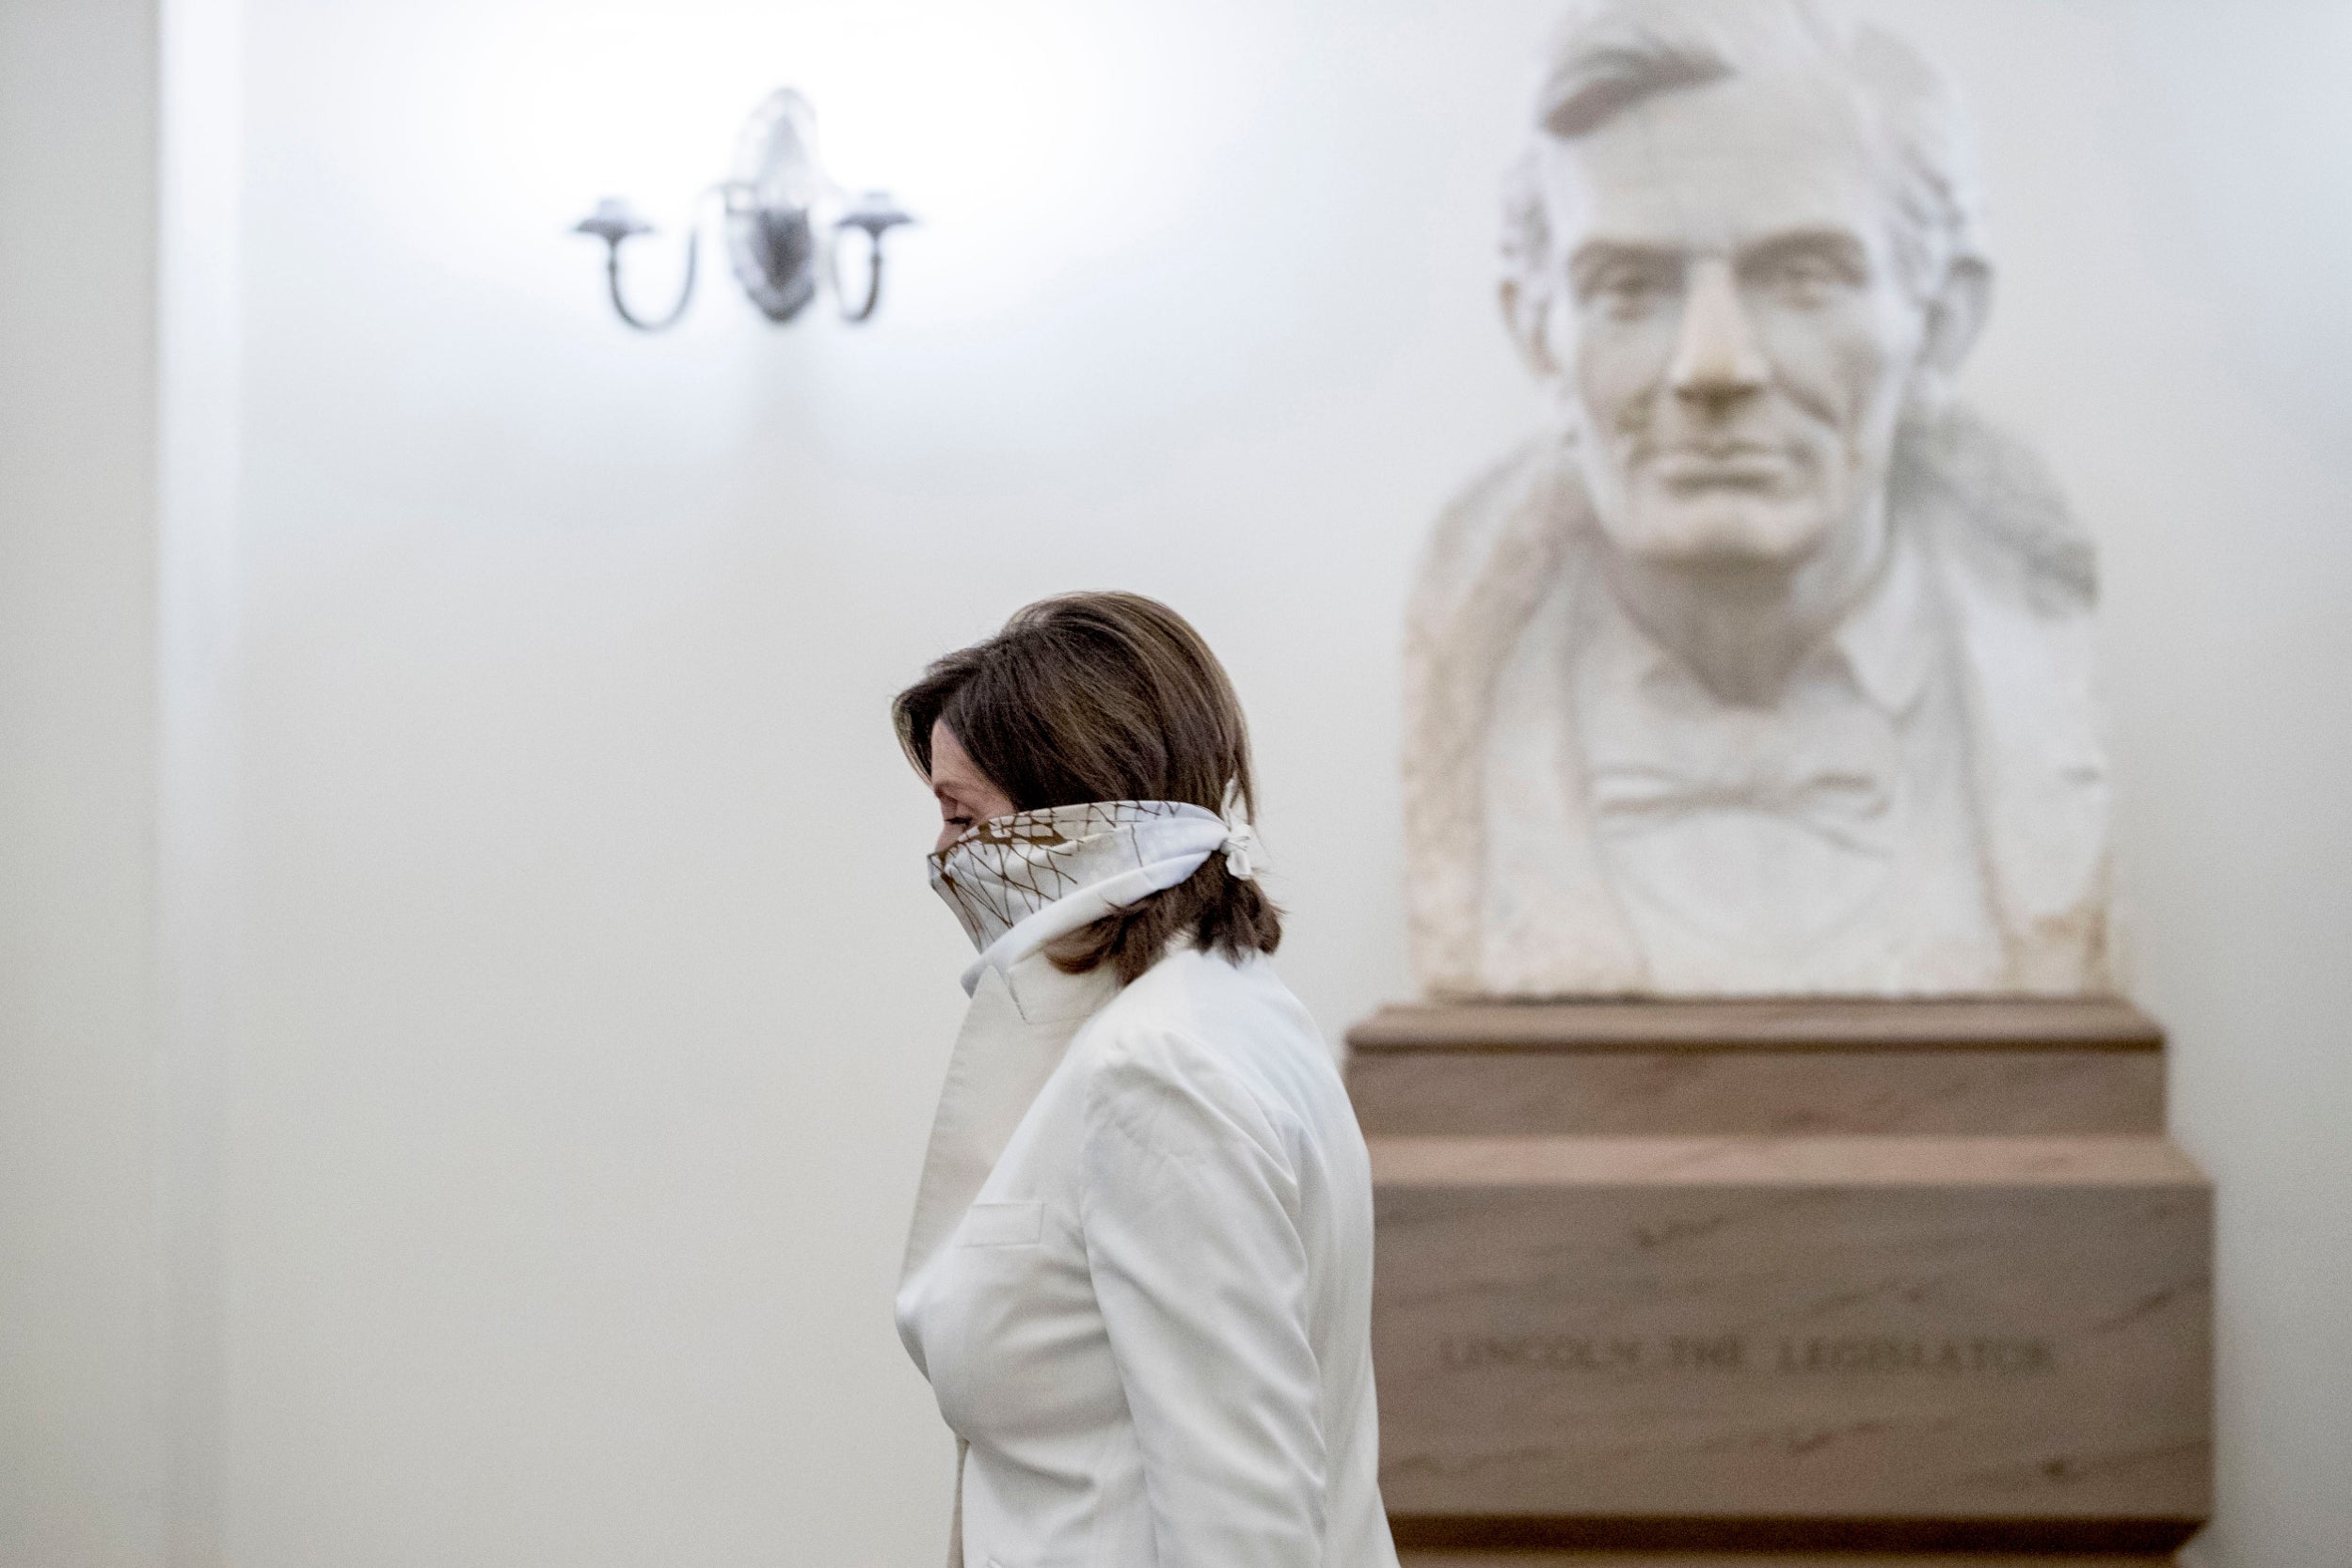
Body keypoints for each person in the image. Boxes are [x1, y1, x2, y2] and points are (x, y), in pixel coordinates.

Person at [1406, 0, 2110, 998]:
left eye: (1803, 276)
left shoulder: (2021, 667)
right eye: (1628, 288)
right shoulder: (1480, 669)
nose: (1713, 365)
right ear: (1537, 333)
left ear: (1940, 321)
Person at [891, 592, 1398, 1568]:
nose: (942, 857)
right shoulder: (1233, 1007)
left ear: (1076, 817)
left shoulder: (1157, 1066)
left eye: (963, 815)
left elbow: (1242, 1519)